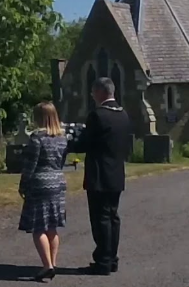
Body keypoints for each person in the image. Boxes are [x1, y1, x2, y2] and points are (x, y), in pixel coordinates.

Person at [71, 77, 130, 276]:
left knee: (100, 219)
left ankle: (103, 261)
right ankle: (112, 258)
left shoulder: (97, 115)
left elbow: (84, 144)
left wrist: (71, 142)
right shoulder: (123, 115)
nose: (92, 96)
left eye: (93, 92)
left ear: (100, 92)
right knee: (113, 217)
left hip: (99, 174)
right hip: (116, 173)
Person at [18, 101, 68, 282]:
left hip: (40, 183)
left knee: (39, 227)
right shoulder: (62, 138)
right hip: (58, 181)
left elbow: (30, 165)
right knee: (52, 226)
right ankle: (52, 264)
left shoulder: (37, 139)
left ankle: (47, 266)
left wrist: (23, 185)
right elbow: (61, 162)